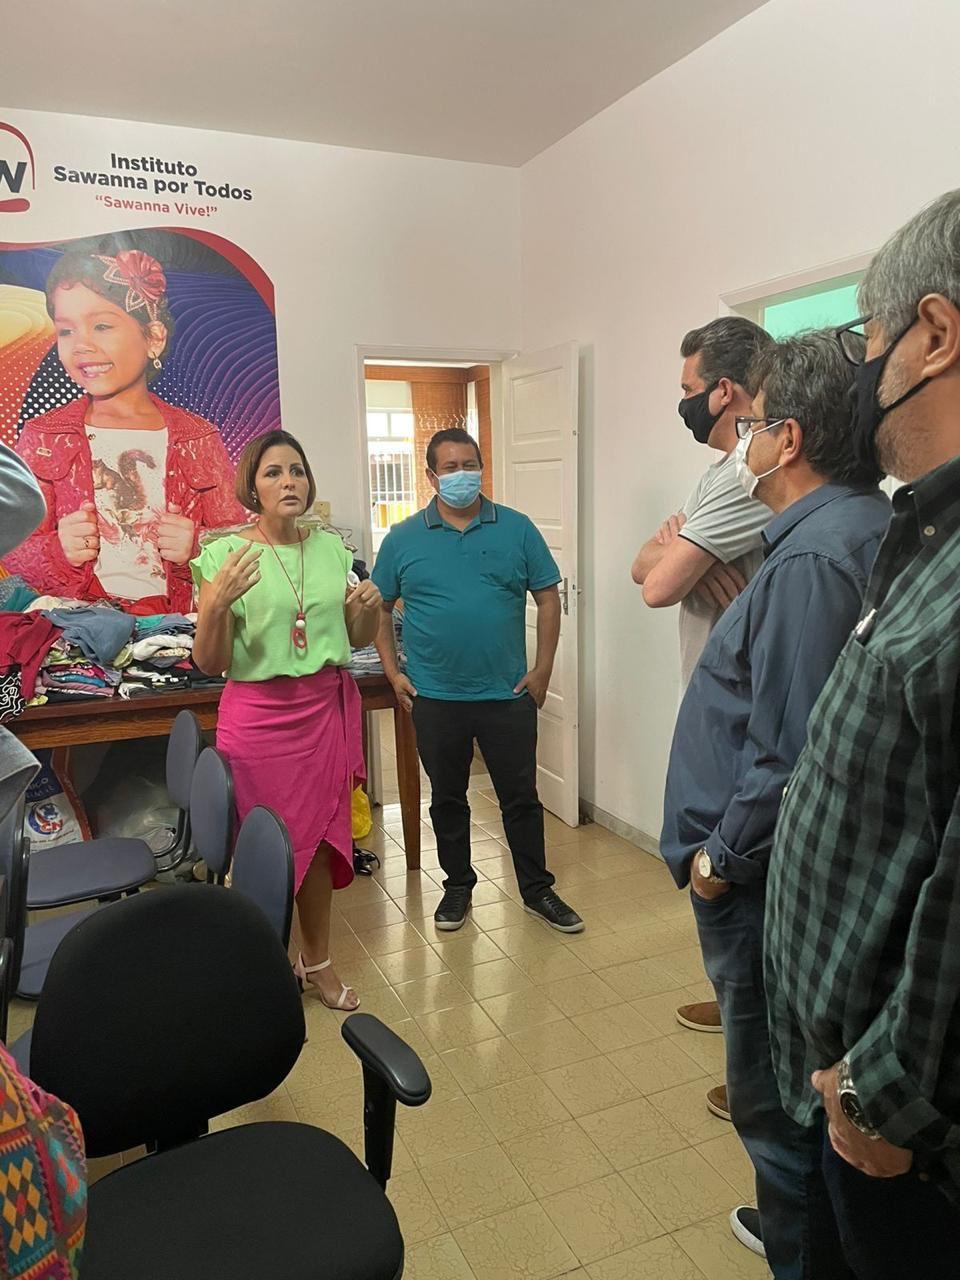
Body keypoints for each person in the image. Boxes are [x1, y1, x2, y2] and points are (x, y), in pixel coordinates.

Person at [661, 331, 890, 1276]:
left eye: (750, 426)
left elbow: (787, 752)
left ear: (787, 439)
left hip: (759, 884)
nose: (739, 445)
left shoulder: (810, 562)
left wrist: (718, 863)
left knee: (776, 1107)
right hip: (786, 873)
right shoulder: (850, 531)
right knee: (796, 1101)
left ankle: (797, 1247)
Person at [765, 191, 960, 1279]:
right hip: (845, 1075)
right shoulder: (924, 527)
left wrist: (881, 1091)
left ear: (935, 335)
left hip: (900, 1133)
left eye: (868, 340)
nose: (863, 370)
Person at [632, 317, 774, 1170]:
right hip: (713, 701)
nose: (682, 402)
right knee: (720, 892)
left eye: (688, 388)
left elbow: (655, 588)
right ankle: (732, 1007)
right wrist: (666, 552)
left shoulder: (749, 471)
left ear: (722, 390)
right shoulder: (721, 470)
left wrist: (670, 555)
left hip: (745, 717)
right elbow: (641, 566)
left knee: (729, 881)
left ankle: (754, 1070)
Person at [192, 429, 382, 1011]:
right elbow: (210, 662)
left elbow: (355, 639)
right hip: (256, 719)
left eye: (296, 470)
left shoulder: (331, 551)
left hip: (322, 712)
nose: (288, 481)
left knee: (321, 841)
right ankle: (260, 965)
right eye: (273, 472)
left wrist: (367, 612)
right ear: (253, 486)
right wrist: (216, 604)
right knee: (259, 845)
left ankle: (316, 962)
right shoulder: (225, 557)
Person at [372, 427, 582, 933]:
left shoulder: (516, 528)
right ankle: (458, 887)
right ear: (431, 476)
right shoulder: (402, 539)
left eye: (470, 465)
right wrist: (392, 672)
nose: (462, 475)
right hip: (434, 695)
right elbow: (378, 606)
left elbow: (548, 597)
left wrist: (543, 669)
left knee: (521, 798)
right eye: (450, 467)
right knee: (448, 798)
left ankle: (537, 889)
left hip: (506, 694)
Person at [3, 247, 246, 612]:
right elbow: (12, 548)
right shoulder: (44, 436)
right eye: (66, 330)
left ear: (154, 337)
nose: (82, 345)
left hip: (176, 625)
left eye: (102, 326)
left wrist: (197, 547)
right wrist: (57, 549)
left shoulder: (198, 437)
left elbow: (239, 545)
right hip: (81, 628)